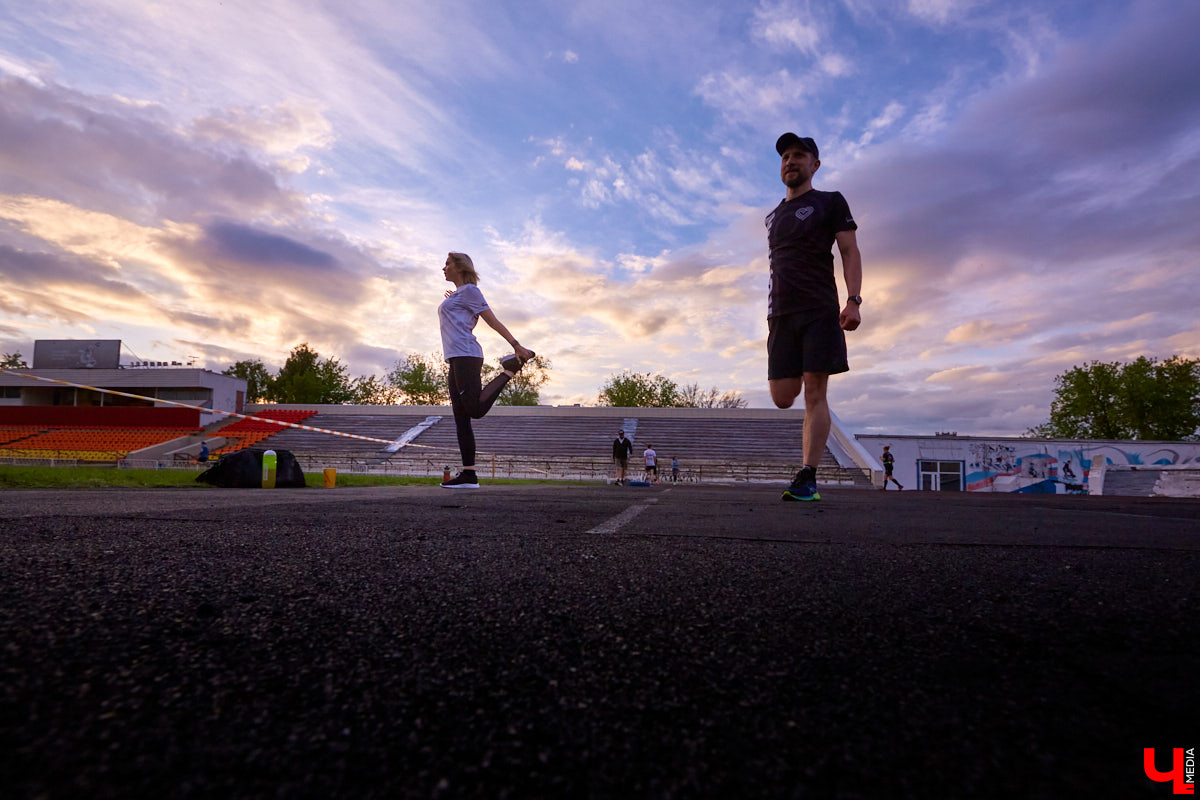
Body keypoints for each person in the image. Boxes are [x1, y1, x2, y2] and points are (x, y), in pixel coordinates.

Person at [766, 133, 862, 502]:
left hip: (819, 310)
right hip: (780, 315)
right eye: (786, 156)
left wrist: (853, 300)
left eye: (799, 155)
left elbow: (850, 250)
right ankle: (807, 472)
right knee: (782, 397)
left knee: (814, 392)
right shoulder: (772, 216)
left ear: (815, 164)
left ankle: (808, 475)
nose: (791, 161)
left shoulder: (830, 202)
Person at [437, 252, 535, 488]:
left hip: (467, 355)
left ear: (460, 267)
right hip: (455, 358)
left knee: (474, 410)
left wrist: (515, 345)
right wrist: (454, 300)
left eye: (448, 264)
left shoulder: (470, 291)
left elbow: (492, 320)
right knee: (461, 419)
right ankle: (468, 474)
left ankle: (510, 370)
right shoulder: (461, 295)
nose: (444, 267)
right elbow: (462, 313)